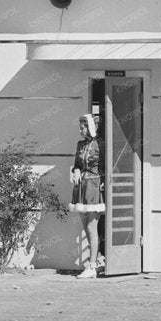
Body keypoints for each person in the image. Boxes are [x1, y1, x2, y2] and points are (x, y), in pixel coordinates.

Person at [69, 113, 105, 278]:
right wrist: (75, 170)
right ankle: (96, 261)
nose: (80, 129)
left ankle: (91, 266)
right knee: (85, 227)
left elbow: (105, 165)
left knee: (92, 227)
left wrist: (104, 182)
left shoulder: (100, 144)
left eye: (83, 126)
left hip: (93, 185)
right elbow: (77, 163)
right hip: (80, 187)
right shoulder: (80, 144)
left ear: (90, 127)